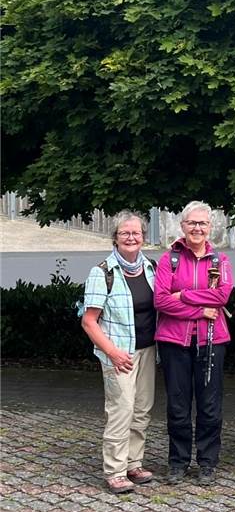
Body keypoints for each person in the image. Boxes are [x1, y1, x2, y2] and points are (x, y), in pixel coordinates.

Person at [154, 203, 233, 485]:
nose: (197, 228)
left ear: (209, 227)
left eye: (202, 223)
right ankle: (178, 462)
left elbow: (222, 296)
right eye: (192, 223)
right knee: (178, 404)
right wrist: (199, 308)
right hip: (175, 340)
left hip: (213, 339)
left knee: (210, 404)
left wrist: (182, 295)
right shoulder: (169, 260)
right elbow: (161, 300)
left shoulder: (219, 260)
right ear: (183, 226)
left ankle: (208, 462)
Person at [80, 211, 158, 494]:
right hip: (119, 354)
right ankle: (114, 470)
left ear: (143, 238)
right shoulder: (102, 272)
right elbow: (89, 321)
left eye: (136, 233)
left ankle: (133, 463)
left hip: (148, 350)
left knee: (142, 410)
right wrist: (112, 353)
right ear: (115, 237)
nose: (131, 237)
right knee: (120, 410)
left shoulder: (151, 267)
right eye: (125, 233)